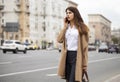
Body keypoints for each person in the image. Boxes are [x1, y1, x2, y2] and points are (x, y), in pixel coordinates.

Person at [57, 6, 89, 82]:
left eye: (70, 13)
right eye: (67, 13)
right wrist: (64, 27)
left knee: (73, 80)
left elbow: (85, 48)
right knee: (68, 80)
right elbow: (59, 40)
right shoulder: (66, 28)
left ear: (75, 14)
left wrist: (85, 64)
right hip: (67, 56)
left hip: (77, 57)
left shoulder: (82, 27)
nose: (67, 14)